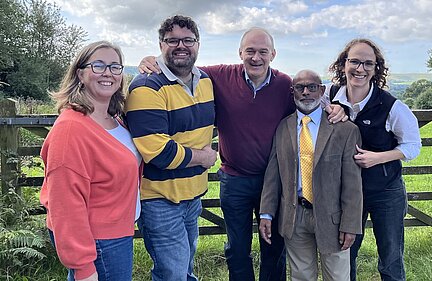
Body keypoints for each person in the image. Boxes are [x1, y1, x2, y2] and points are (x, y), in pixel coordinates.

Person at [138, 27, 347, 281]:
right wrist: (152, 60)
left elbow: (311, 97)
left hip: (275, 181)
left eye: (262, 52)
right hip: (234, 180)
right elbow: (182, 63)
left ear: (273, 54)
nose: (255, 58)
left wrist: (335, 108)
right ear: (240, 53)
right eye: (250, 51)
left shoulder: (283, 84)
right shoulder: (217, 76)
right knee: (237, 249)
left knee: (275, 247)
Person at [124, 15, 217, 281]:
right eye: (172, 40)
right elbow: (157, 152)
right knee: (172, 273)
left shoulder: (206, 80)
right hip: (160, 200)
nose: (181, 46)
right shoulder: (146, 86)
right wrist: (204, 157)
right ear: (161, 44)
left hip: (193, 196)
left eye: (188, 40)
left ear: (198, 44)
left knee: (184, 267)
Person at [40, 41, 142, 281]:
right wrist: (83, 267)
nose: (108, 73)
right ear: (80, 74)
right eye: (98, 65)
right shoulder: (71, 129)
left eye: (115, 67)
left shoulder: (115, 119)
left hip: (116, 233)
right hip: (98, 241)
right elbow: (64, 204)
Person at [323, 38, 422, 281]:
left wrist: (379, 158)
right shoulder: (329, 94)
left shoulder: (392, 106)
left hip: (385, 191)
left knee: (390, 256)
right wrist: (331, 109)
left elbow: (412, 146)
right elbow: (307, 102)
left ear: (376, 69)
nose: (361, 69)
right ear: (343, 64)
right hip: (346, 193)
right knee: (346, 254)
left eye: (369, 63)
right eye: (355, 61)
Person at [259, 69, 363, 281]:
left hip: (333, 218)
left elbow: (353, 184)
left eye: (312, 87)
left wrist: (351, 224)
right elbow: (273, 174)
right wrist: (266, 213)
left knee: (337, 276)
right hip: (295, 216)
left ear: (322, 90)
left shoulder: (345, 130)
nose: (306, 92)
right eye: (300, 88)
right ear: (293, 92)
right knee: (301, 276)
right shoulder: (283, 128)